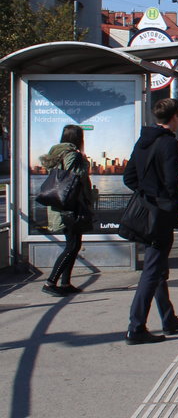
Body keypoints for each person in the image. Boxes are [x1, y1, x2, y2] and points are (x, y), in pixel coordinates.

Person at [123, 98, 178, 345]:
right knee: (152, 271)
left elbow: (129, 177)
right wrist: (175, 199)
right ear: (174, 117)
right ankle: (136, 327)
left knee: (158, 268)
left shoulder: (143, 140)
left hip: (146, 213)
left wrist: (147, 195)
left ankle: (168, 318)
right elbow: (173, 181)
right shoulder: (168, 143)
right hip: (161, 215)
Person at [40, 124, 95, 296]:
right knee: (72, 245)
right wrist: (84, 162)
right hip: (71, 206)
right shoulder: (72, 154)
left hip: (61, 204)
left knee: (74, 244)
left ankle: (65, 283)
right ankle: (50, 282)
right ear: (78, 139)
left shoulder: (57, 153)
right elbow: (75, 177)